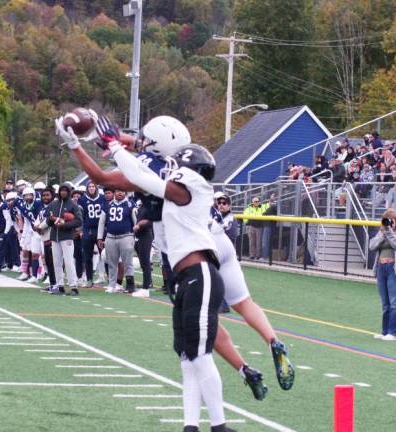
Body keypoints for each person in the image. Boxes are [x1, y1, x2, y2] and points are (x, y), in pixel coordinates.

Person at [57, 113, 293, 403]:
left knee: (203, 323)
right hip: (216, 235)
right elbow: (142, 143)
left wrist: (75, 143)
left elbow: (103, 176)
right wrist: (102, 135)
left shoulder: (149, 171)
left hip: (187, 252)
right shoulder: (185, 164)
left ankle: (244, 368)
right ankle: (273, 340)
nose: (139, 140)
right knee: (243, 302)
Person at [107, 139, 232, 431]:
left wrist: (115, 148)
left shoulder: (193, 188)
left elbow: (141, 176)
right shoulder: (179, 196)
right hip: (185, 279)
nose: (171, 170)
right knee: (188, 358)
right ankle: (191, 426)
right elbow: (142, 175)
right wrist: (128, 145)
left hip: (200, 274)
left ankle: (219, 425)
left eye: (177, 166)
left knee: (200, 355)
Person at [368, 209, 396, 341]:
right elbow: (371, 246)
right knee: (385, 303)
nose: (388, 223)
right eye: (386, 221)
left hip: (394, 269)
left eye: (391, 220)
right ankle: (385, 331)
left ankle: (394, 333)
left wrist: (389, 232)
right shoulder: (382, 232)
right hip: (381, 268)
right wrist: (383, 233)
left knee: (394, 302)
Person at [98, 189, 137, 294]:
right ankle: (112, 285)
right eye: (118, 191)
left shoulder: (130, 204)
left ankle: (130, 284)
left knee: (127, 262)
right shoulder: (108, 205)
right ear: (114, 192)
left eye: (122, 191)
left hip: (126, 236)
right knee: (112, 262)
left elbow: (136, 222)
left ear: (125, 192)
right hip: (110, 237)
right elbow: (101, 223)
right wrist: (99, 237)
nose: (120, 193)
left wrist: (136, 237)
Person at [46, 182, 83, 295]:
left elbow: (78, 220)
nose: (63, 192)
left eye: (65, 190)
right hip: (54, 236)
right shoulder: (53, 204)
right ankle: (59, 285)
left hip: (66, 237)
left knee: (68, 262)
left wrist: (65, 225)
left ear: (69, 192)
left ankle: (73, 287)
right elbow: (48, 220)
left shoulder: (73, 205)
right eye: (61, 190)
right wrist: (52, 220)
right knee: (56, 262)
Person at [77, 181, 106, 288]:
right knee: (87, 256)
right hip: (88, 230)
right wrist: (80, 230)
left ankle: (105, 277)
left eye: (93, 186)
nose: (92, 188)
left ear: (97, 188)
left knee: (105, 255)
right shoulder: (82, 199)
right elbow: (80, 216)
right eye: (90, 186)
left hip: (101, 230)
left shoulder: (103, 197)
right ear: (87, 188)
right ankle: (89, 279)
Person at [35, 187, 57, 292]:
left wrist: (39, 227)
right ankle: (52, 284)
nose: (45, 197)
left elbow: (50, 221)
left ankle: (56, 285)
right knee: (48, 263)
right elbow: (36, 222)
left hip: (52, 238)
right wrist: (36, 227)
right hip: (44, 238)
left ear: (52, 196)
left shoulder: (54, 207)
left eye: (47, 195)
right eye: (43, 195)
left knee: (53, 263)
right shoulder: (43, 208)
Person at [134, 201, 154, 290]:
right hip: (139, 236)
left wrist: (139, 225)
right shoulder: (142, 206)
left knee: (145, 262)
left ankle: (147, 285)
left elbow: (150, 221)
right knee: (143, 262)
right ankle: (146, 283)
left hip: (145, 236)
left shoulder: (149, 206)